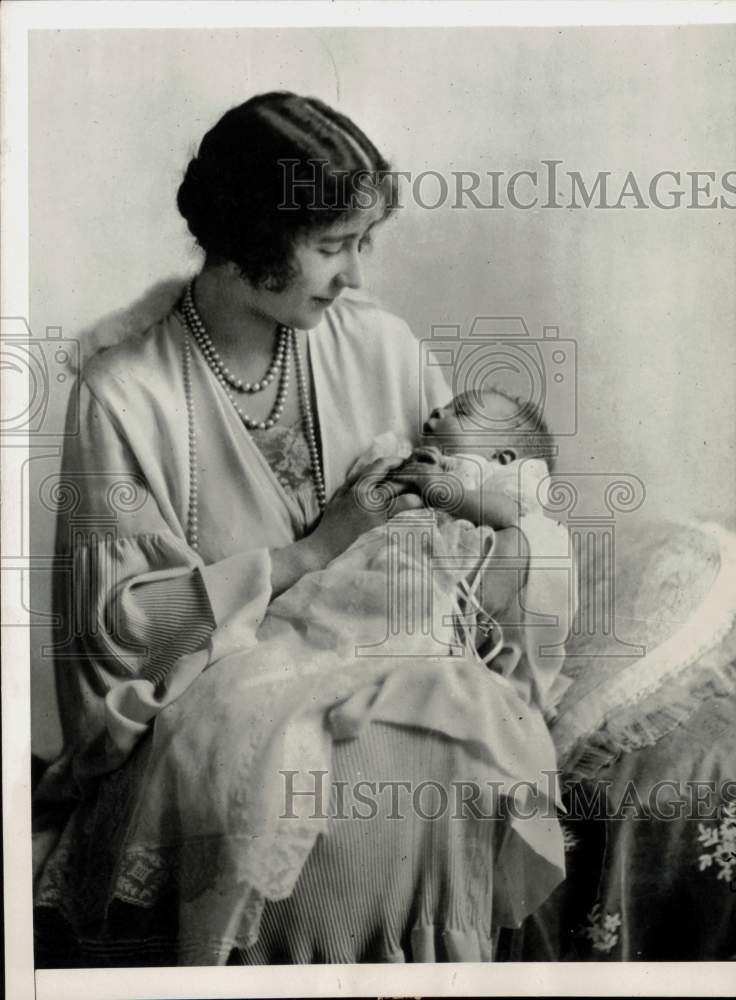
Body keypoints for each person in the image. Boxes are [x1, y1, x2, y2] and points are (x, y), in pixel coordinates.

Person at [32, 91, 567, 966]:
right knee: (332, 809)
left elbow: (472, 525)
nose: (355, 274)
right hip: (215, 700)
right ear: (250, 240)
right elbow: (122, 633)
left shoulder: (380, 345)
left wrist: (476, 587)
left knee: (468, 759)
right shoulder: (124, 394)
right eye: (331, 247)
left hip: (396, 658)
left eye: (362, 243)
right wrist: (312, 551)